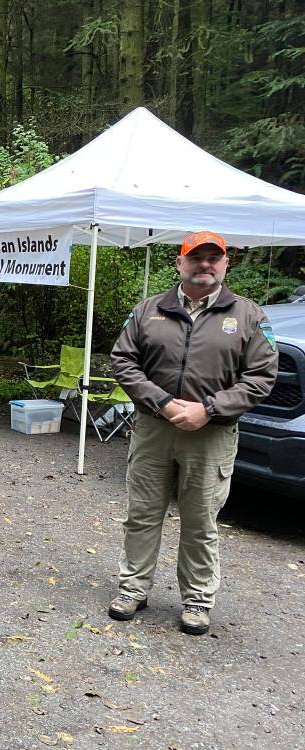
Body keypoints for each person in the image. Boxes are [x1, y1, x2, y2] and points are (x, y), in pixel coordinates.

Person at [108, 231, 278, 635]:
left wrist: (209, 409)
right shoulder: (149, 310)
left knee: (201, 521)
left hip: (211, 435)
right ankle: (133, 589)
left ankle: (197, 601)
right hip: (154, 428)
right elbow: (123, 361)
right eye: (195, 257)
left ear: (225, 265)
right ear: (179, 264)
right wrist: (162, 402)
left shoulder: (249, 315)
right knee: (142, 514)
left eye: (213, 258)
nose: (205, 264)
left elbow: (261, 377)